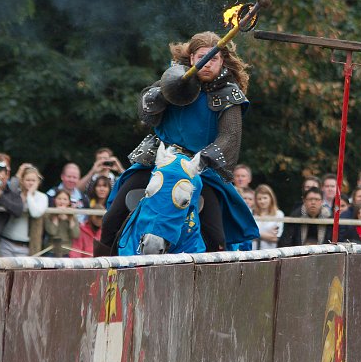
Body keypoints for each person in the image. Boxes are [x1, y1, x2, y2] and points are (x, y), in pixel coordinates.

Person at [99, 31, 259, 255]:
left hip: (199, 168)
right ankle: (103, 275)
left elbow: (229, 137)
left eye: (214, 58)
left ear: (222, 61)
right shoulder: (174, 80)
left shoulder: (228, 94)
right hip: (159, 161)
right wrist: (165, 93)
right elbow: (147, 112)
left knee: (215, 234)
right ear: (192, 58)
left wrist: (203, 160)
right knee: (113, 217)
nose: (208, 63)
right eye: (203, 57)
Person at [0, 164, 49, 256]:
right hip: (6, 242)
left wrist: (30, 194)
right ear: (22, 181)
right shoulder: (15, 194)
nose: (31, 183)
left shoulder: (42, 197)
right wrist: (20, 171)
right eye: (28, 180)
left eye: (33, 180)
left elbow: (35, 213)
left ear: (38, 181)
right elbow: (8, 190)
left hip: (25, 246)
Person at [45, 189, 80, 256]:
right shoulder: (49, 214)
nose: (62, 201)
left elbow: (76, 235)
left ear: (69, 202)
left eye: (65, 199)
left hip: (66, 252)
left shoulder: (72, 215)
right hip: (51, 250)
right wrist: (55, 216)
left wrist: (70, 219)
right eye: (59, 198)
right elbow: (52, 232)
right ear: (55, 200)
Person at [253, 184, 284, 249]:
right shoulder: (251, 213)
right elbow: (246, 234)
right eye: (259, 199)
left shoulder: (278, 214)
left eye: (265, 198)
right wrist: (267, 235)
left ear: (271, 198)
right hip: (251, 252)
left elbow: (276, 238)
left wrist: (255, 233)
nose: (262, 201)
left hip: (270, 253)